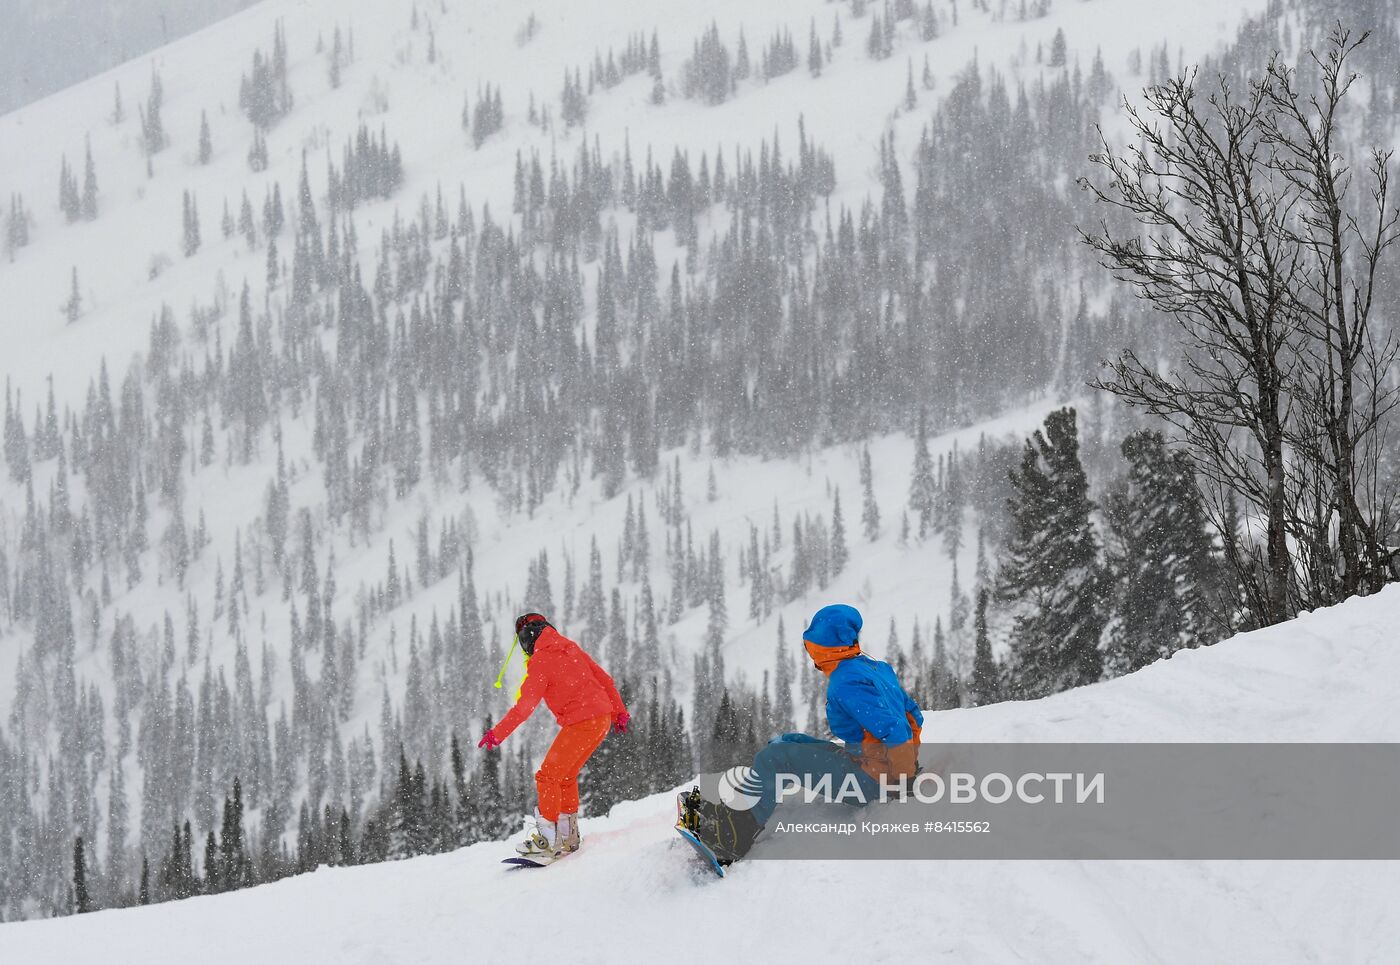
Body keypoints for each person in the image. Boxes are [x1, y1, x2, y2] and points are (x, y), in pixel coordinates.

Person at [681, 603, 923, 864]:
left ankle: (732, 838)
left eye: (811, 646)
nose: (809, 653)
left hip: (873, 782)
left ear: (821, 646)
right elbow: (913, 715)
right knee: (786, 742)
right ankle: (740, 807)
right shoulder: (874, 667)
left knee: (777, 758)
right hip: (873, 764)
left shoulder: (847, 681)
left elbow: (895, 729)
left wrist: (901, 780)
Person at [478, 613, 629, 862]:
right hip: (601, 718)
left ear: (528, 640)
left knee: (547, 777)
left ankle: (548, 842)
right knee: (565, 776)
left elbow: (525, 707)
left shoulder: (541, 661)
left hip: (583, 722)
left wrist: (498, 733)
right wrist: (619, 711)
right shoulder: (570, 647)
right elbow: (604, 679)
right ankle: (568, 838)